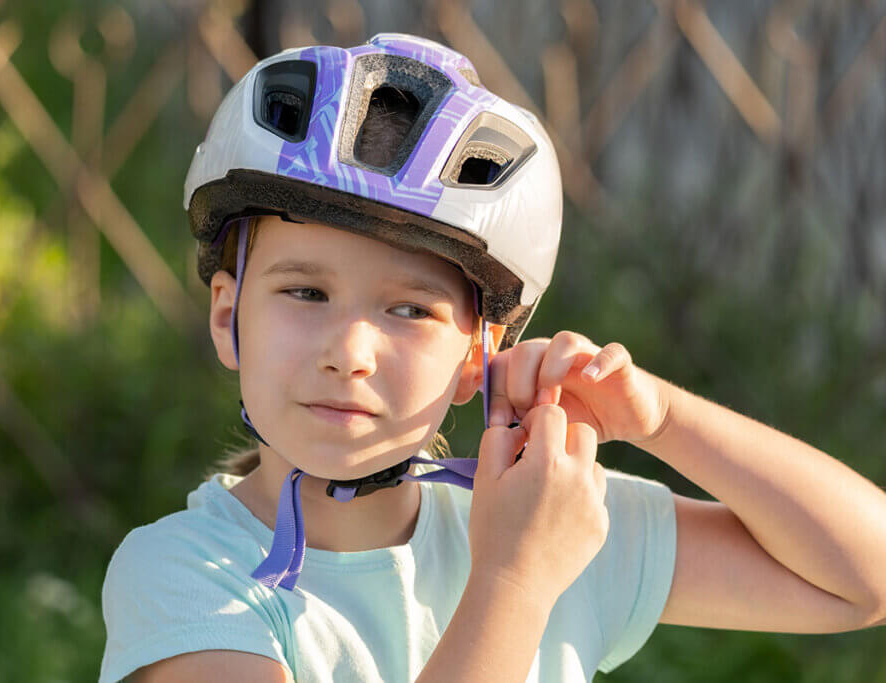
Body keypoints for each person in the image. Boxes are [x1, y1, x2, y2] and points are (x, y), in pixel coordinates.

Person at [99, 34, 886, 683]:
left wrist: (664, 418)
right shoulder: (181, 578)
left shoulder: (535, 522)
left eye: (408, 309)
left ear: (479, 354)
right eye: (305, 292)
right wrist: (513, 584)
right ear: (229, 315)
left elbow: (862, 579)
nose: (349, 352)